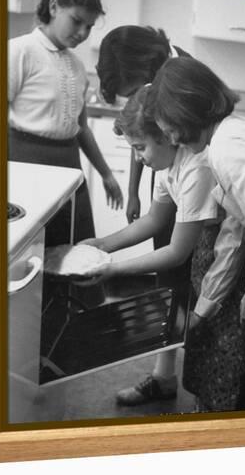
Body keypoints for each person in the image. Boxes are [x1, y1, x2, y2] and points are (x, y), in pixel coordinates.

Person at [80, 86, 245, 411]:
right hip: (207, 252)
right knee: (203, 339)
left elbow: (176, 252)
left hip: (234, 253)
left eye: (140, 148)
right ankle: (202, 405)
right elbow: (155, 220)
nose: (139, 158)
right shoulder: (166, 164)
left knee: (223, 340)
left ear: (167, 137)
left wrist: (109, 268)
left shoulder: (197, 166)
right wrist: (103, 246)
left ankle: (219, 419)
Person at [150, 56, 245, 410]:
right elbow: (236, 226)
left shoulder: (228, 148)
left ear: (186, 109)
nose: (168, 136)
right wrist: (208, 303)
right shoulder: (226, 135)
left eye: (167, 125)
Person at [96, 26, 193, 404]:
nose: (135, 92)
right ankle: (164, 376)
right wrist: (135, 189)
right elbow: (142, 137)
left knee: (187, 283)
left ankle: (186, 380)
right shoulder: (150, 93)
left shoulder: (182, 76)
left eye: (133, 85)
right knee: (169, 282)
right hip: (166, 179)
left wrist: (114, 266)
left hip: (192, 188)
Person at [8, 0, 123, 247]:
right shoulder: (19, 51)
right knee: (32, 251)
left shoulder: (77, 66)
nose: (83, 32)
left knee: (74, 249)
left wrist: (106, 174)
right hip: (26, 165)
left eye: (90, 26)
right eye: (76, 21)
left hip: (70, 166)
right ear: (53, 7)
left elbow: (81, 128)